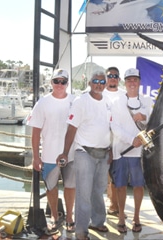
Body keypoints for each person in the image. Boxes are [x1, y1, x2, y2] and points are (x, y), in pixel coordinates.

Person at [56, 70, 112, 240]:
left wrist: (111, 150)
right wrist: (65, 153)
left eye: (102, 82)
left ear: (106, 84)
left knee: (98, 191)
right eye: (95, 81)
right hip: (84, 153)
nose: (99, 84)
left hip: (104, 154)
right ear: (89, 83)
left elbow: (110, 128)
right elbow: (71, 128)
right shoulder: (81, 101)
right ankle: (81, 231)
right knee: (84, 193)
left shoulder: (108, 102)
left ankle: (97, 221)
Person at [27, 69, 76, 233]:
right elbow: (35, 132)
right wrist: (36, 156)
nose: (60, 85)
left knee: (70, 186)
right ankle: (55, 216)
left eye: (63, 82)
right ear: (51, 83)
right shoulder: (42, 103)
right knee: (51, 187)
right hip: (49, 154)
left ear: (67, 84)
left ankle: (69, 217)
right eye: (57, 81)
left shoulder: (75, 101)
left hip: (72, 154)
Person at [109, 68, 153, 233]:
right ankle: (121, 216)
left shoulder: (148, 101)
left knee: (138, 185)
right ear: (124, 82)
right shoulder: (116, 102)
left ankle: (136, 217)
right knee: (119, 186)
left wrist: (145, 117)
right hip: (120, 151)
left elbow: (154, 119)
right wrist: (131, 140)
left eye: (135, 80)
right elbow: (114, 126)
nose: (132, 83)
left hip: (140, 154)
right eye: (129, 80)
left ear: (139, 82)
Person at [102, 66, 126, 218]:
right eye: (110, 75)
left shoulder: (125, 95)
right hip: (100, 141)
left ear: (119, 79)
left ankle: (115, 205)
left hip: (119, 142)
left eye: (115, 76)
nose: (112, 78)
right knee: (103, 177)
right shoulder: (97, 94)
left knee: (117, 176)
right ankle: (109, 203)